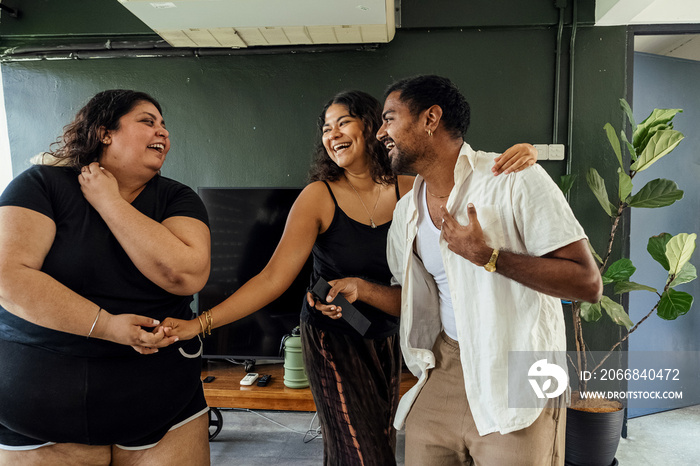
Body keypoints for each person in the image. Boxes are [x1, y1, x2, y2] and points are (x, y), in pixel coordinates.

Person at [162, 89, 537, 466]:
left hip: (389, 339)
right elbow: (273, 277)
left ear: (372, 127)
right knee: (365, 457)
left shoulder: (409, 189)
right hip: (333, 341)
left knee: (370, 445)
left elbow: (474, 182)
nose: (332, 134)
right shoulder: (318, 196)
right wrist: (201, 324)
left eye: (343, 122)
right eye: (326, 128)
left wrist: (523, 158)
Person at [378, 75, 603, 466]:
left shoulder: (514, 179)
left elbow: (587, 282)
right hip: (444, 368)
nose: (382, 131)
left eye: (390, 118)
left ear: (430, 118)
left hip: (518, 371)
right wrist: (357, 291)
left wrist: (489, 257)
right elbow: (412, 295)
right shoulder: (406, 213)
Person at [0, 90, 212, 465]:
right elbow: (8, 276)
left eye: (164, 124)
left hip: (163, 413)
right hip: (41, 420)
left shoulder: (177, 198)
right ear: (104, 133)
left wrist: (108, 201)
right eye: (147, 121)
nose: (162, 131)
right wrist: (109, 327)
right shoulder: (41, 185)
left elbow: (185, 275)